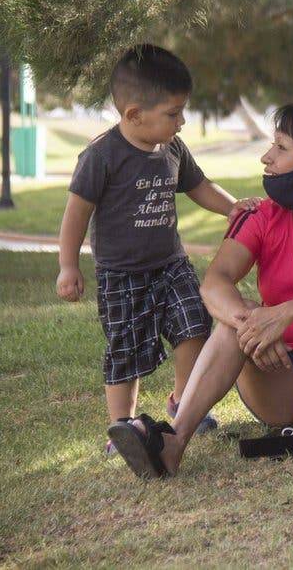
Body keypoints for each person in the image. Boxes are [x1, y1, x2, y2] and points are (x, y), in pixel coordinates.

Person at [108, 102, 293, 479]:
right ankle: (172, 443)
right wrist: (252, 323)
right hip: (281, 381)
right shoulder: (260, 216)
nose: (267, 158)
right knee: (236, 318)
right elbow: (215, 282)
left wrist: (283, 314)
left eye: (282, 148)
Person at [56, 44, 259, 454]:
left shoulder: (171, 148)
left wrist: (231, 206)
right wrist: (68, 266)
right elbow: (76, 214)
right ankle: (123, 426)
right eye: (173, 113)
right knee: (125, 349)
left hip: (171, 265)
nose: (181, 121)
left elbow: (198, 185)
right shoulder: (101, 156)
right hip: (121, 274)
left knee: (194, 327)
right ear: (133, 114)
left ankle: (184, 403)